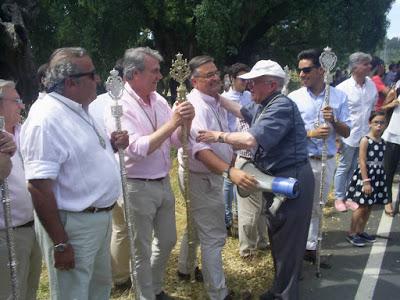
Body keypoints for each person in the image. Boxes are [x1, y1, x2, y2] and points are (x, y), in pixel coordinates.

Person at [197, 59, 315, 300]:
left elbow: (250, 140)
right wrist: (215, 96)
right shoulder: (265, 104)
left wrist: (217, 136)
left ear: (271, 84)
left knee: (289, 242)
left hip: (291, 179)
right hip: (278, 178)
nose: (249, 86)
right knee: (280, 237)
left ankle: (285, 294)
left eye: (254, 82)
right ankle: (279, 289)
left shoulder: (280, 106)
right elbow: (240, 110)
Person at [20, 47, 129, 300]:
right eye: (92, 74)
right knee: (74, 294)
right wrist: (60, 242)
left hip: (98, 218)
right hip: (73, 226)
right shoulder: (45, 119)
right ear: (70, 83)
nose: (99, 79)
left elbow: (76, 157)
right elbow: (38, 186)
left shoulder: (78, 108)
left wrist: (111, 145)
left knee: (98, 289)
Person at [104, 47, 195, 300]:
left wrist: (186, 121)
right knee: (140, 250)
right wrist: (173, 123)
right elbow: (137, 149)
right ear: (134, 74)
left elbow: (177, 141)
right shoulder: (118, 105)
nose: (159, 76)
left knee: (167, 240)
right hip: (136, 186)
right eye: (154, 71)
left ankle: (154, 287)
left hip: (162, 181)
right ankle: (146, 295)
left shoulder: (159, 100)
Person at [177, 55, 255, 300]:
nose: (215, 78)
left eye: (216, 73)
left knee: (198, 227)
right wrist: (230, 171)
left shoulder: (213, 99)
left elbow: (243, 115)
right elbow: (201, 152)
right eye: (208, 75)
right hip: (201, 176)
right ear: (193, 81)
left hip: (210, 175)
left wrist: (218, 96)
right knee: (214, 237)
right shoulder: (196, 106)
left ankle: (184, 268)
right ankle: (218, 294)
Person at [288, 49, 350, 264]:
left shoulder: (338, 96)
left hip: (325, 161)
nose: (302, 75)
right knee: (296, 207)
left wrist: (333, 120)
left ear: (321, 70)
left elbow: (347, 132)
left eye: (306, 70)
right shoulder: (293, 98)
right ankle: (295, 248)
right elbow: (287, 131)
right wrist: (310, 133)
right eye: (299, 71)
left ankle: (311, 247)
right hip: (300, 161)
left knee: (317, 206)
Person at [89, 60, 131, 289]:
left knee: (117, 227)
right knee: (122, 226)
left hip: (105, 174)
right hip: (116, 173)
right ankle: (121, 276)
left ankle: (119, 272)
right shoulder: (108, 103)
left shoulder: (97, 102)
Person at [0, 80, 41, 300]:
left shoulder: (25, 131)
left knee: (29, 290)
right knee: (9, 293)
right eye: (16, 101)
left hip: (34, 226)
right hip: (6, 232)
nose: (21, 106)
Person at [222, 63, 268, 257]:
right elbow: (244, 136)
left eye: (252, 82)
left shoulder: (258, 103)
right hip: (244, 157)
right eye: (245, 80)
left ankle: (262, 241)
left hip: (263, 162)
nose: (248, 86)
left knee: (262, 207)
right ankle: (246, 249)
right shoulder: (237, 104)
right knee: (248, 209)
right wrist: (223, 139)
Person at [334, 52, 378, 212]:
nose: (369, 67)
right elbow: (335, 116)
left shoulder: (371, 85)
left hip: (364, 134)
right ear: (355, 67)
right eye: (366, 64)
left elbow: (373, 109)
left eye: (369, 63)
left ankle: (349, 196)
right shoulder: (342, 88)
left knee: (356, 167)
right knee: (344, 166)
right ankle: (339, 198)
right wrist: (337, 138)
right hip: (348, 135)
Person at [345, 111, 389, 246]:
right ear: (370, 123)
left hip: (377, 175)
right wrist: (366, 181)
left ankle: (360, 231)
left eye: (382, 123)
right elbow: (362, 161)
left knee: (370, 206)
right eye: (376, 122)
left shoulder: (382, 141)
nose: (379, 125)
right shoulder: (365, 140)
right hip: (366, 176)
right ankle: (351, 232)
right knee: (361, 205)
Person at [381, 75, 400, 216]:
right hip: (394, 136)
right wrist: (393, 104)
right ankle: (387, 201)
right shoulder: (397, 88)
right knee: (388, 171)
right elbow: (383, 108)